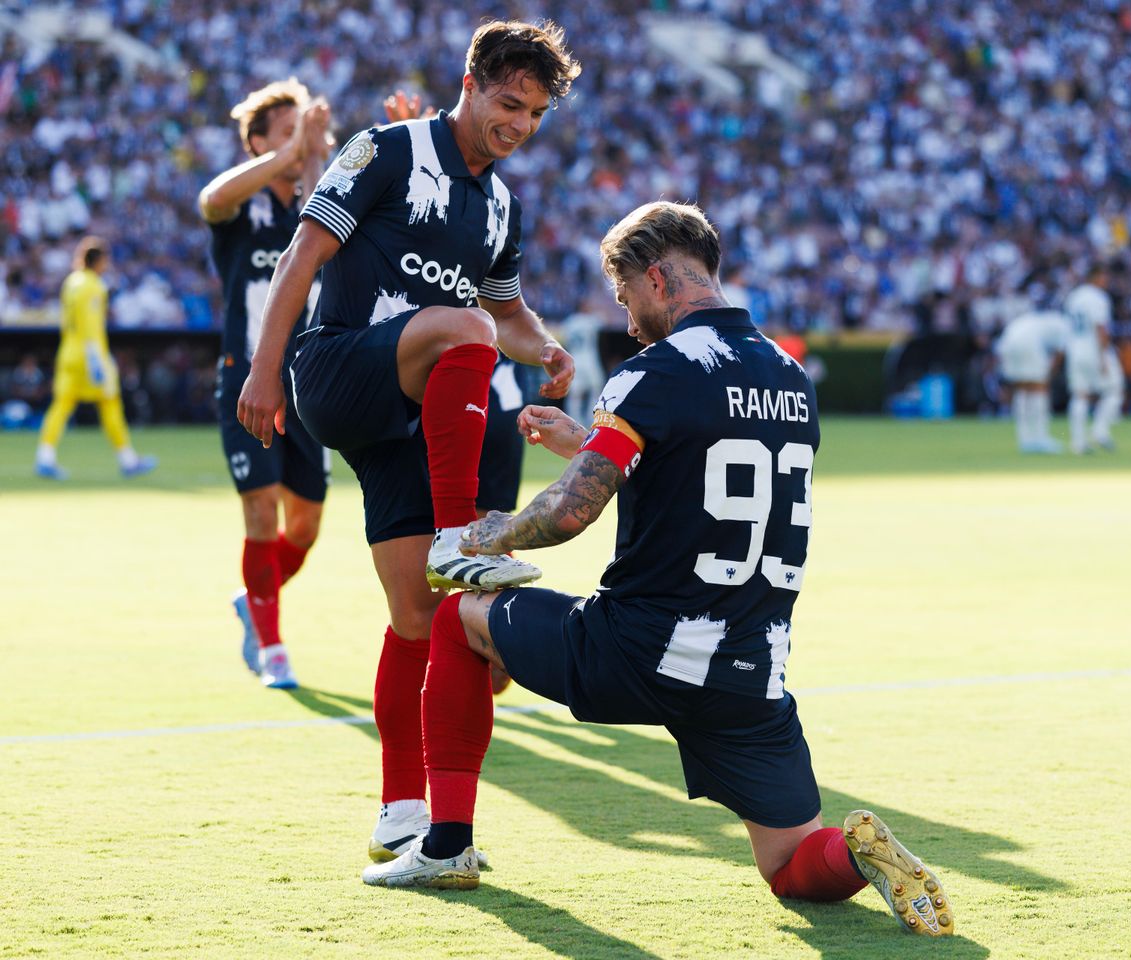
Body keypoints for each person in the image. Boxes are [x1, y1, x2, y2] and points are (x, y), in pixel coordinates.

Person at [363, 201, 955, 938]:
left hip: (639, 647)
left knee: (455, 619)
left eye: (625, 299)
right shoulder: (790, 376)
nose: (628, 319)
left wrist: (492, 532)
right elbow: (699, 472)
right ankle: (858, 855)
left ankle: (444, 847)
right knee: (792, 864)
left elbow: (571, 513)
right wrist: (589, 441)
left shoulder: (653, 371)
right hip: (749, 669)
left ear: (656, 279)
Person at [237, 20, 581, 866]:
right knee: (462, 329)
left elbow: (506, 311)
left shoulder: (501, 203)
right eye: (509, 103)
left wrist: (545, 347)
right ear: (469, 83)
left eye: (534, 113)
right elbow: (302, 256)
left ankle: (405, 815)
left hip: (418, 422)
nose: (519, 126)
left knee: (426, 620)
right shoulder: (386, 151)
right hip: (339, 371)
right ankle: (465, 540)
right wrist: (263, 371)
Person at [198, 80, 336, 689]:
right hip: (247, 381)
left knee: (304, 528)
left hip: (309, 389)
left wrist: (314, 153)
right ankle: (273, 647)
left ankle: (254, 600)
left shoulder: (318, 207)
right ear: (256, 143)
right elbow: (210, 200)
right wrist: (287, 155)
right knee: (261, 513)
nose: (301, 143)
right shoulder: (242, 208)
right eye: (284, 133)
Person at [35, 236, 157, 481]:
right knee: (110, 402)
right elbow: (91, 326)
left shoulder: (71, 282)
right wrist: (95, 361)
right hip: (89, 355)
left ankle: (44, 458)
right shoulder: (94, 286)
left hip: (68, 352)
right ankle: (128, 460)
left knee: (61, 406)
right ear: (98, 260)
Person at [1063, 267, 1123, 454]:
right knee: (1115, 390)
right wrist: (1104, 356)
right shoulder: (1098, 297)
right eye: (1104, 276)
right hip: (1094, 349)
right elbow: (1100, 328)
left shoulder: (1073, 297)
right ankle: (1099, 430)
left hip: (1075, 349)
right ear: (1095, 277)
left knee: (1080, 395)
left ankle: (1078, 443)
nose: (1106, 280)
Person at [993, 309, 1070, 453]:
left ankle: (1025, 439)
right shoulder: (1065, 326)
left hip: (1008, 341)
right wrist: (1048, 377)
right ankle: (1041, 438)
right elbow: (1060, 354)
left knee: (1022, 389)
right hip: (1028, 343)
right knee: (1039, 388)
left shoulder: (1043, 319)